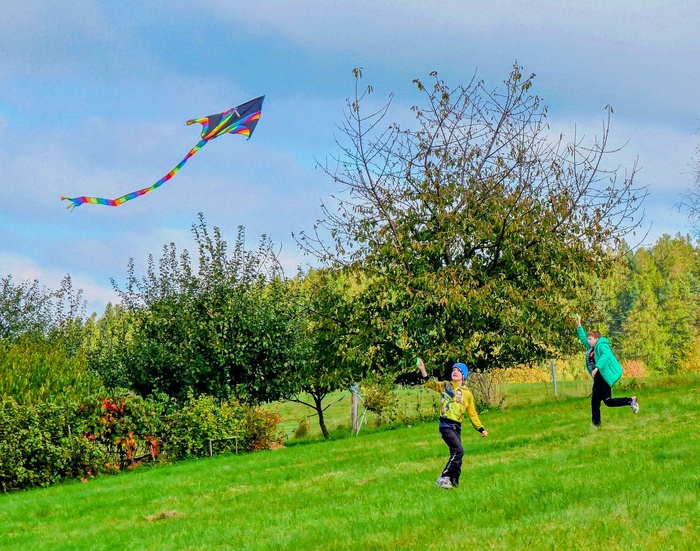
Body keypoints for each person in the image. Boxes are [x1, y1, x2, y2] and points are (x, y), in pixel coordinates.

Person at [417, 357, 487, 489]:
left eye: (458, 370)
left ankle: (454, 483)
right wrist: (423, 370)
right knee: (459, 451)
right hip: (445, 425)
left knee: (456, 456)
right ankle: (443, 477)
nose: (455, 372)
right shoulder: (446, 385)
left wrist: (480, 428)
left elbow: (472, 413)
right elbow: (431, 384)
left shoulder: (467, 394)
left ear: (463, 375)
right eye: (453, 370)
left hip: (457, 427)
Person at [575, 314, 639, 427]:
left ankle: (631, 401)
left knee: (608, 402)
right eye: (588, 339)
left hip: (604, 377)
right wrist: (579, 324)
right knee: (595, 401)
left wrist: (597, 367)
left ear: (596, 339)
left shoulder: (602, 346)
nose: (588, 341)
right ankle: (596, 424)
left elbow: (605, 356)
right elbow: (583, 338)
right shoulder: (592, 347)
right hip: (598, 377)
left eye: (590, 339)